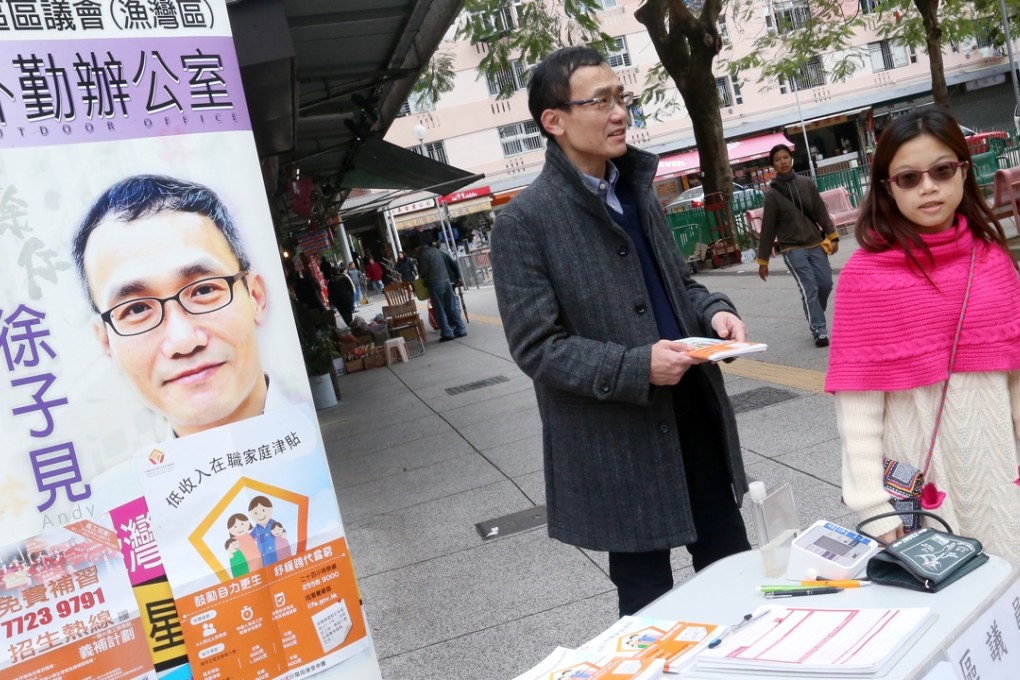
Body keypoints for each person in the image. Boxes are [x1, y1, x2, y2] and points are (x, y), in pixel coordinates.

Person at [490, 46, 751, 617]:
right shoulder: (523, 223)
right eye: (600, 100)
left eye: (621, 97)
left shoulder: (636, 189)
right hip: (618, 438)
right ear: (553, 121)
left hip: (694, 414)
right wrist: (636, 367)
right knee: (647, 605)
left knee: (736, 572)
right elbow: (538, 348)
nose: (619, 113)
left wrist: (714, 313)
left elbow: (680, 283)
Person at [825, 109, 1020, 562]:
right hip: (920, 478)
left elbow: (1015, 378)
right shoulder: (865, 277)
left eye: (942, 170)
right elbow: (858, 406)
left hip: (998, 465)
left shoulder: (992, 260)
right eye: (909, 178)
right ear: (887, 188)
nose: (928, 186)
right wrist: (875, 506)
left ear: (963, 173)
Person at [71, 174, 278, 439]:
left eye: (204, 290)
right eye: (136, 310)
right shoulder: (122, 482)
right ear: (106, 342)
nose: (183, 341)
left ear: (256, 297)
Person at [755, 144, 840, 347]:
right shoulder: (772, 195)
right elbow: (768, 229)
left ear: (791, 159)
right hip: (792, 249)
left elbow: (820, 212)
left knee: (825, 284)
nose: (783, 162)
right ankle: (819, 329)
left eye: (785, 157)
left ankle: (814, 313)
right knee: (809, 287)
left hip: (816, 243)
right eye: (778, 159)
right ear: (772, 165)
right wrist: (763, 260)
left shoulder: (806, 183)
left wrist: (833, 236)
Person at [414, 236, 466, 342]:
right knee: (452, 307)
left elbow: (423, 271)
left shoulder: (423, 254)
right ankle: (461, 329)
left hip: (435, 283)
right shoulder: (436, 251)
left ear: (419, 247)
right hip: (446, 281)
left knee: (440, 309)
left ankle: (447, 332)